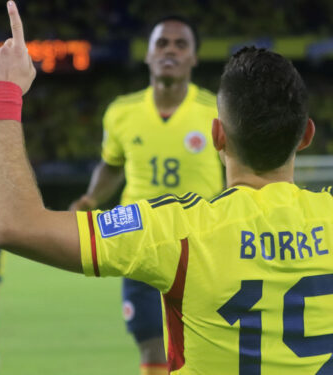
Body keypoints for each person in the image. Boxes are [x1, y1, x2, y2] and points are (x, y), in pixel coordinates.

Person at [0, 0, 333, 372]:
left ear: (217, 135)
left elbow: (15, 225)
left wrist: (4, 96)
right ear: (307, 136)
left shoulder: (176, 229)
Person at [69, 15, 223, 374]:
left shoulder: (216, 110)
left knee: (203, 343)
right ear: (148, 55)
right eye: (162, 43)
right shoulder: (121, 112)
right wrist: (91, 199)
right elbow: (111, 165)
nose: (170, 50)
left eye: (180, 44)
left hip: (201, 241)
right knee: (150, 340)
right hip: (139, 239)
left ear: (194, 58)